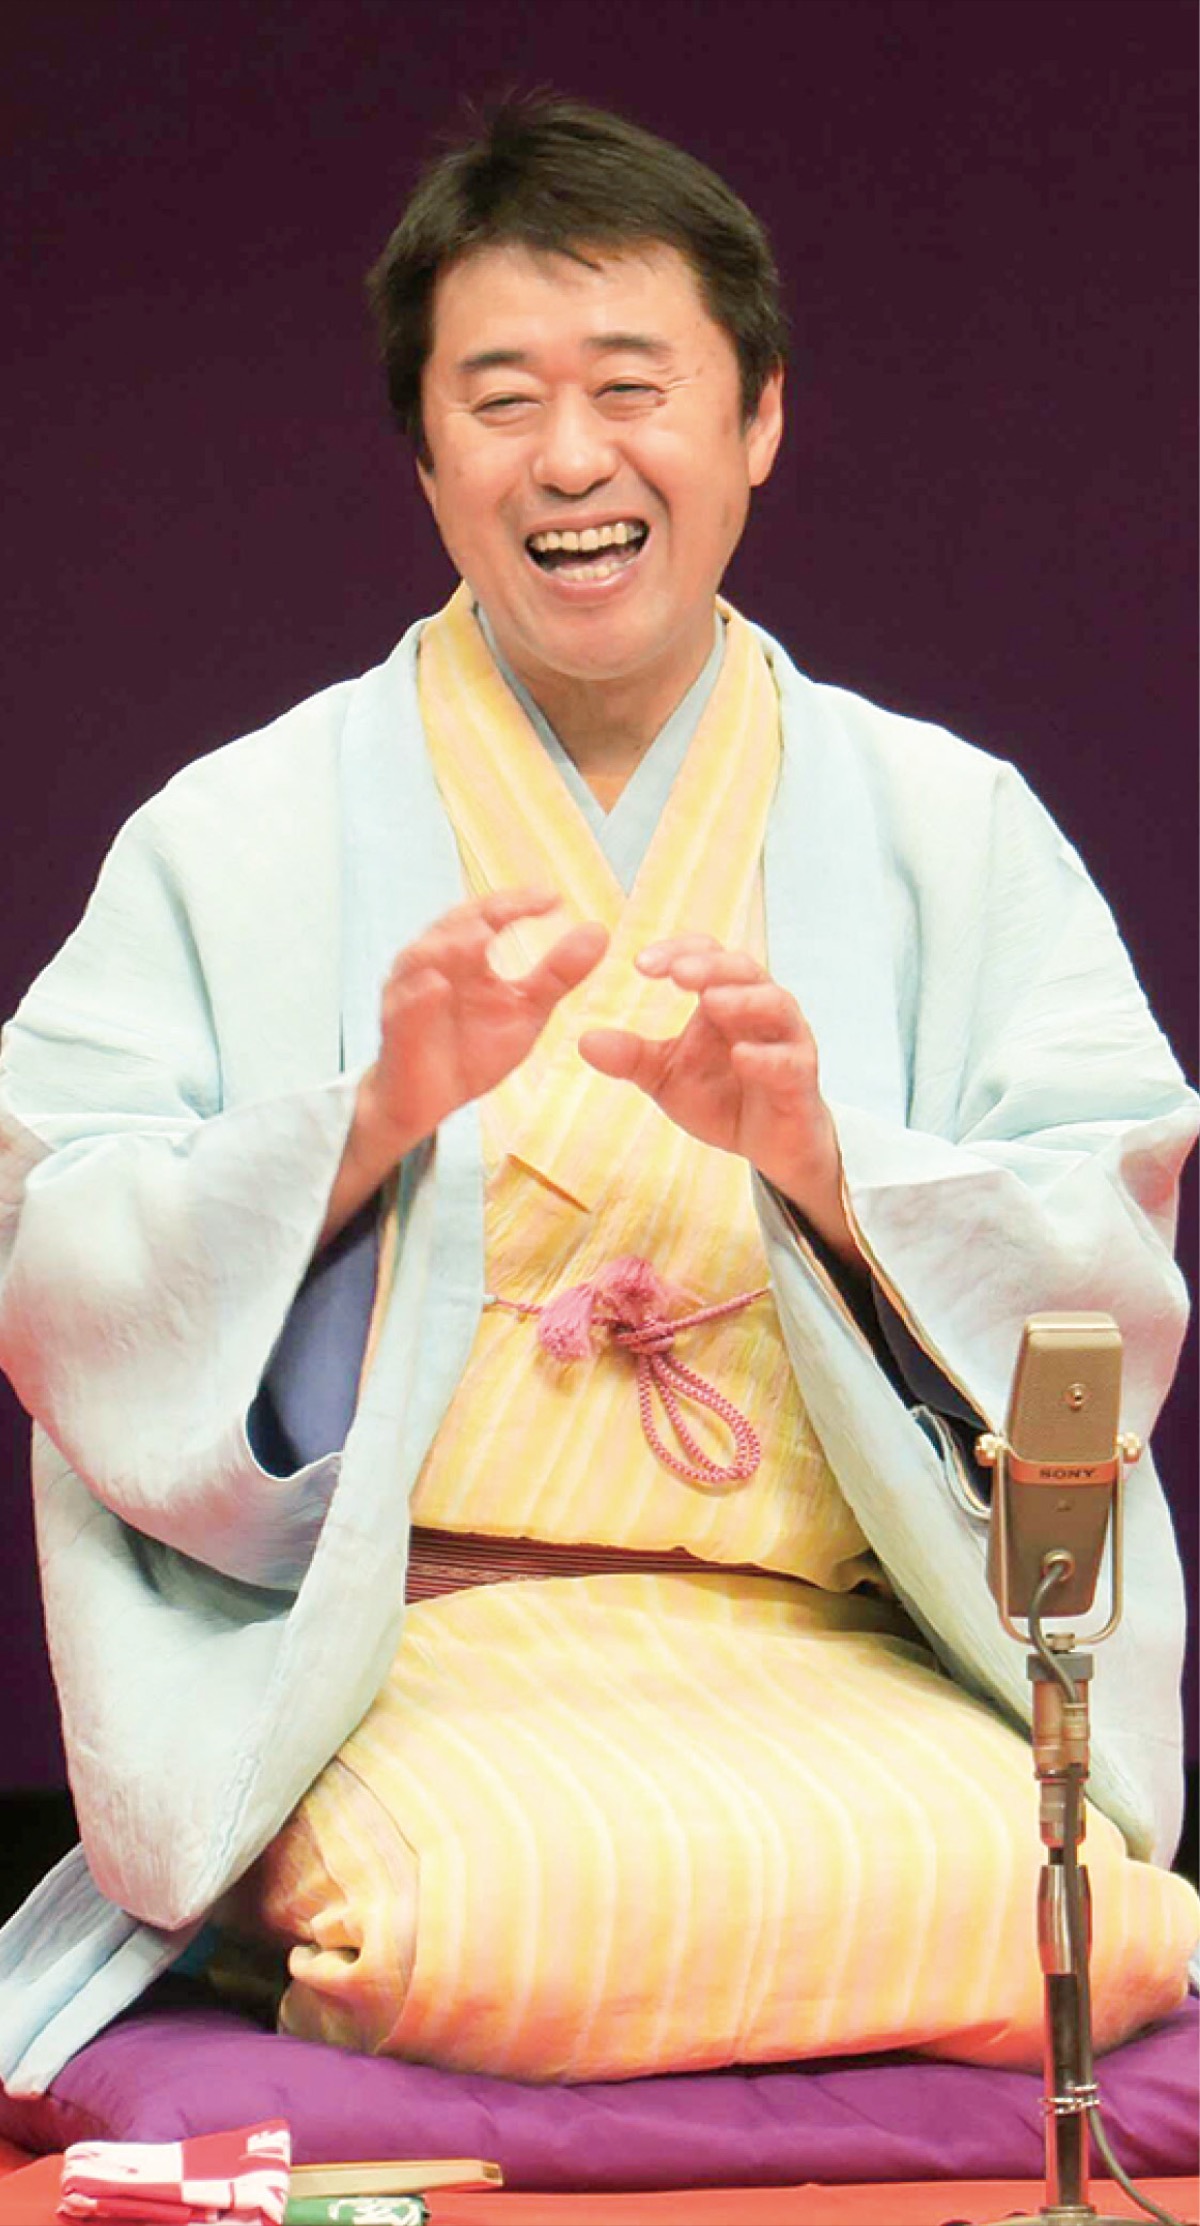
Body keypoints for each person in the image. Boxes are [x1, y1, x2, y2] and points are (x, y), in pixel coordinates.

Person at [0, 96, 1196, 2096]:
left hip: (834, 1645)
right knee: (494, 1914)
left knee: (1071, 1908)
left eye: (633, 387)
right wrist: (367, 1124)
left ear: (760, 417)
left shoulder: (949, 825)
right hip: (409, 1660)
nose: (572, 459)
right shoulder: (239, 828)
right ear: (424, 452)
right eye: (501, 400)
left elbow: (1106, 1275)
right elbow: (60, 1259)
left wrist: (824, 1162)